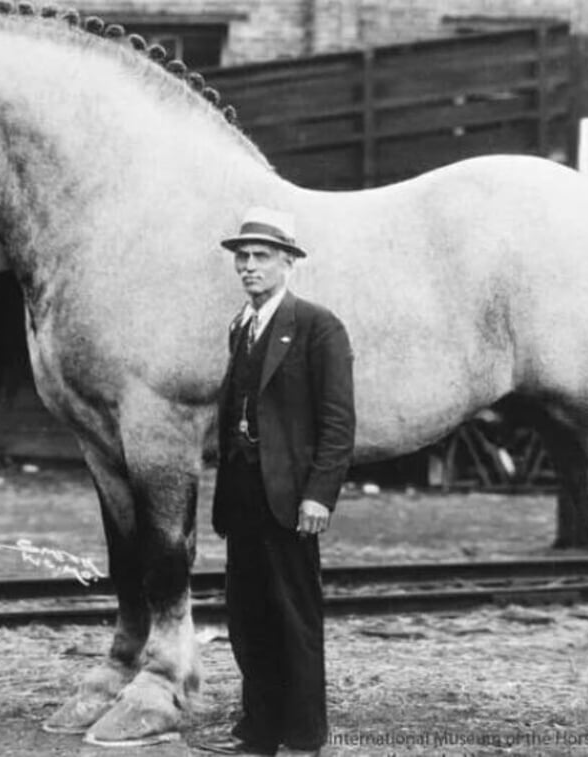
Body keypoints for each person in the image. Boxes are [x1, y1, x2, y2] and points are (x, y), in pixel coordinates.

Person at [201, 208, 355, 757]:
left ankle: (305, 737)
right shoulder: (240, 326)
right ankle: (259, 733)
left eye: (261, 256)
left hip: (291, 499)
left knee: (294, 616)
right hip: (242, 495)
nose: (248, 266)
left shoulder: (317, 326)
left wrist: (320, 493)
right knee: (248, 617)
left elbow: (338, 423)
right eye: (241, 257)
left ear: (288, 262)